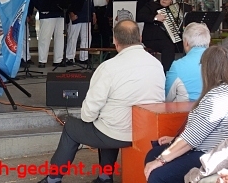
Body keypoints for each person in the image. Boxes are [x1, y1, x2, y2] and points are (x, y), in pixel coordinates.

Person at [39, 20, 165, 183]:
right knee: (107, 121)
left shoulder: (108, 67)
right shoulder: (157, 64)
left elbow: (87, 114)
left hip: (117, 133)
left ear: (115, 40)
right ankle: (104, 176)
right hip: (146, 132)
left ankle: (53, 178)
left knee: (73, 126)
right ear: (140, 37)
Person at [144, 45, 228, 183]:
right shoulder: (221, 92)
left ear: (206, 69)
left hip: (208, 154)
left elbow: (191, 140)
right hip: (209, 149)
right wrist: (174, 139)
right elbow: (202, 131)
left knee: (157, 175)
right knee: (153, 153)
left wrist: (161, 160)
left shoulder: (215, 97)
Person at [28, 0, 66, 68]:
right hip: (47, 14)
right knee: (45, 37)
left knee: (60, 37)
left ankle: (58, 60)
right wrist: (37, 10)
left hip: (59, 13)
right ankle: (42, 60)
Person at [165, 22, 210, 102]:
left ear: (186, 43)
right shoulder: (221, 62)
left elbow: (167, 97)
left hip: (188, 112)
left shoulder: (177, 66)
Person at [137, 0, 179, 72]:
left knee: (183, 44)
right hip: (151, 39)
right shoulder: (151, 5)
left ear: (171, 1)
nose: (164, 0)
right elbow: (139, 16)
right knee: (168, 46)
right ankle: (166, 73)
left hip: (167, 38)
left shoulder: (173, 10)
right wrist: (155, 18)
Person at [66, 0, 96, 65]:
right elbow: (67, 3)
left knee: (86, 38)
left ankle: (84, 57)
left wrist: (94, 14)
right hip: (76, 16)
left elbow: (91, 3)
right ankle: (70, 57)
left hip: (86, 17)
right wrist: (71, 13)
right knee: (73, 37)